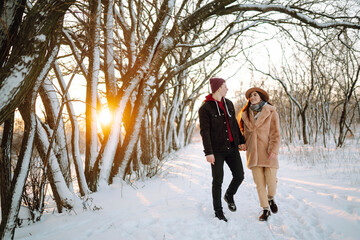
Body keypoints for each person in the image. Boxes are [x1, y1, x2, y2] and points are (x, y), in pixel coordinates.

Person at [198, 77, 246, 222]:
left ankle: (229, 195)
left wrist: (241, 141)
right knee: (217, 181)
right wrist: (209, 152)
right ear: (218, 88)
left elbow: (234, 125)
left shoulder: (229, 103)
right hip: (216, 151)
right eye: (225, 86)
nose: (227, 89)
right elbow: (204, 131)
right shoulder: (205, 108)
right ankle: (218, 211)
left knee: (239, 175)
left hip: (232, 148)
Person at [237, 87, 281, 221]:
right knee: (260, 184)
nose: (253, 97)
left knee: (271, 181)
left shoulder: (271, 112)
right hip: (253, 153)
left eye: (255, 95)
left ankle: (271, 197)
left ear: (261, 96)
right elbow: (243, 133)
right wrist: (242, 143)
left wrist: (273, 150)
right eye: (250, 96)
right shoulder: (245, 114)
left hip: (268, 152)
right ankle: (265, 209)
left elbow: (275, 133)